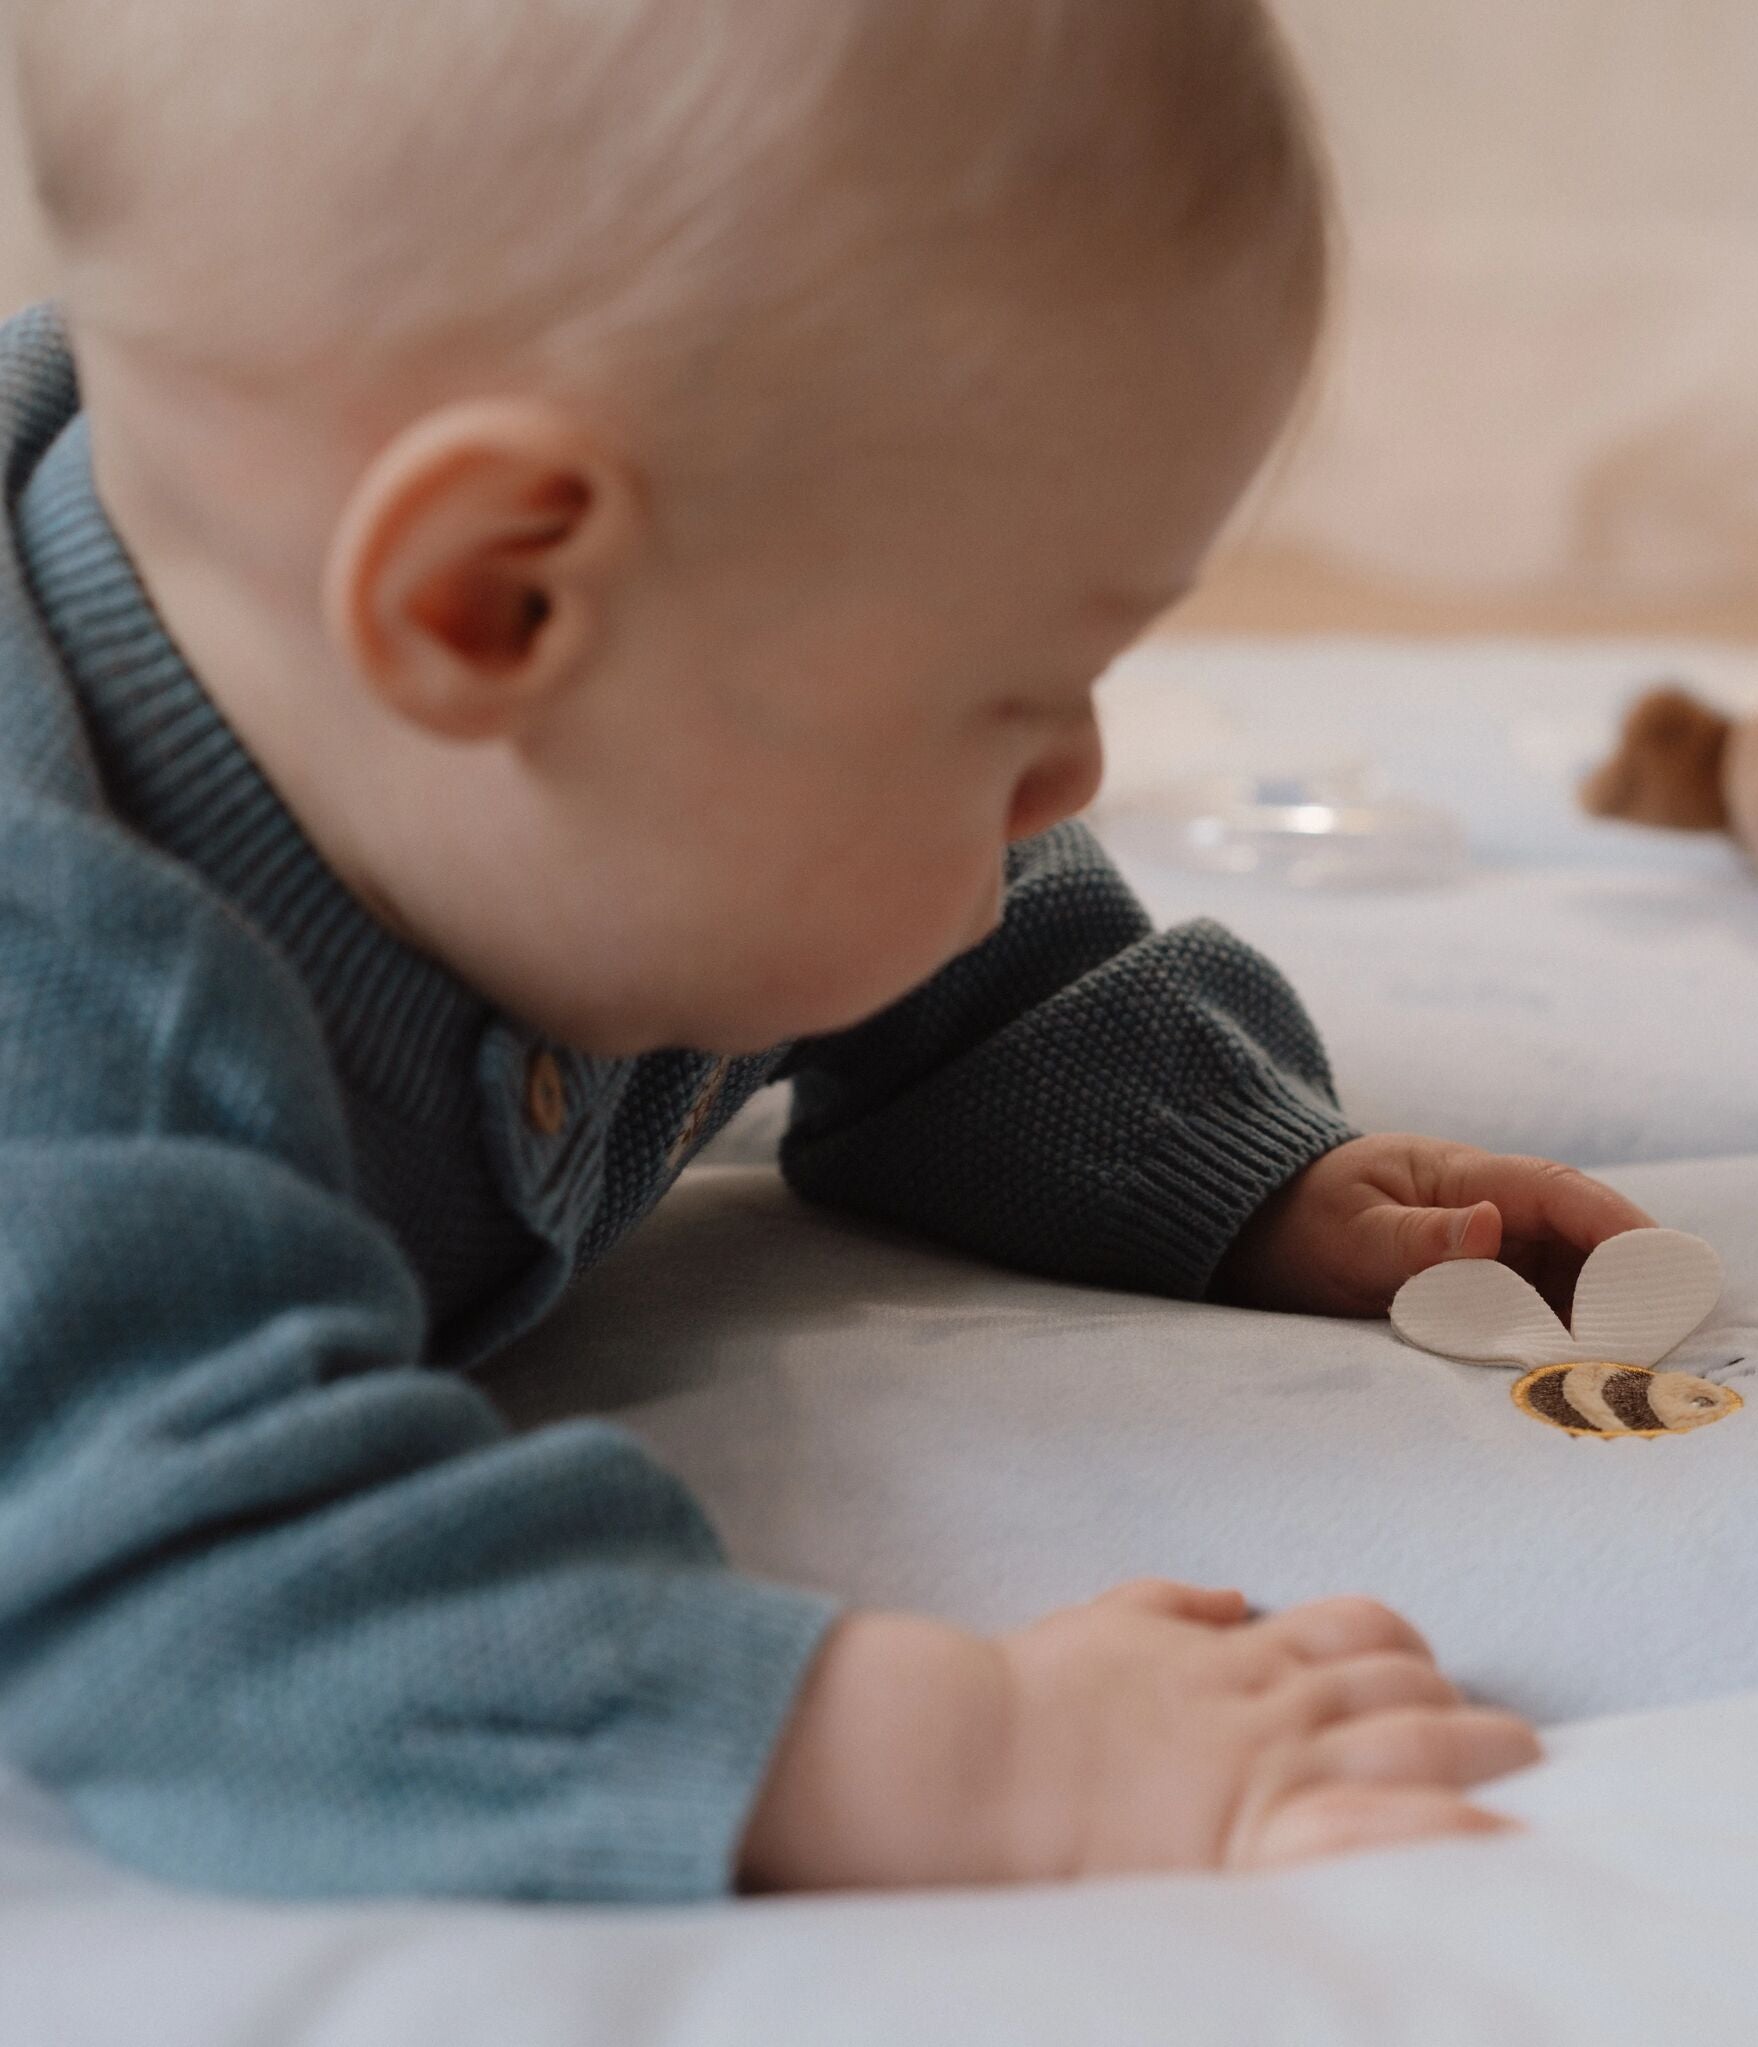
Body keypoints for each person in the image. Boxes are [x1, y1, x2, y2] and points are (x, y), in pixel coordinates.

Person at [0, 0, 1650, 1901]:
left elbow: (941, 950)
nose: (1077, 776)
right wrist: (971, 1756)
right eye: (1007, 698)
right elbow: (203, 1602)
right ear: (496, 602)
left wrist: (1234, 1164)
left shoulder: (587, 777)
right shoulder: (65, 1030)